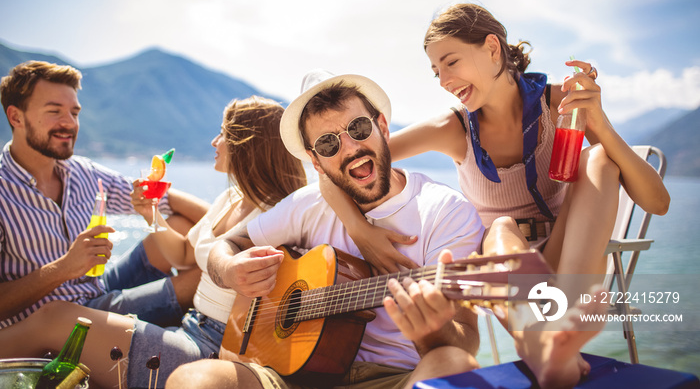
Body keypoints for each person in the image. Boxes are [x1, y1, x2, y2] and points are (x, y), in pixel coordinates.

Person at [320, 3, 670, 387]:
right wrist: (359, 230)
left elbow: (658, 203)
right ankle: (549, 342)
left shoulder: (561, 105)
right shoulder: (451, 128)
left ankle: (560, 333)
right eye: (436, 71)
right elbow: (335, 166)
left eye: (451, 62)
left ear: (492, 48)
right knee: (501, 228)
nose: (443, 80)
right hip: (505, 277)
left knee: (600, 158)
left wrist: (598, 123)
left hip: (569, 262)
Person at [166, 70, 488, 389]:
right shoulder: (306, 205)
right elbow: (230, 244)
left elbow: (465, 339)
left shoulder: (446, 212)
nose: (350, 148)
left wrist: (433, 333)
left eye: (358, 128)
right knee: (190, 379)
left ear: (383, 127)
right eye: (328, 144)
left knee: (454, 364)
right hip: (288, 374)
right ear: (315, 162)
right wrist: (230, 268)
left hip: (395, 378)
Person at [0, 96, 308, 388]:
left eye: (223, 134)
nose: (215, 142)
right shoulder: (230, 198)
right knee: (58, 319)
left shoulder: (277, 216)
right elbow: (184, 254)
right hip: (188, 327)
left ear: (247, 146)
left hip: (212, 348)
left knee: (55, 318)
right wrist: (151, 215)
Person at [0, 60, 210, 329]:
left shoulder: (82, 172)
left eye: (74, 113)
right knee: (204, 276)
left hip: (96, 289)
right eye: (54, 111)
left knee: (183, 225)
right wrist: (64, 268)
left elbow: (160, 199)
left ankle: (175, 320)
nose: (69, 123)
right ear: (16, 117)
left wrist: (236, 228)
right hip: (55, 323)